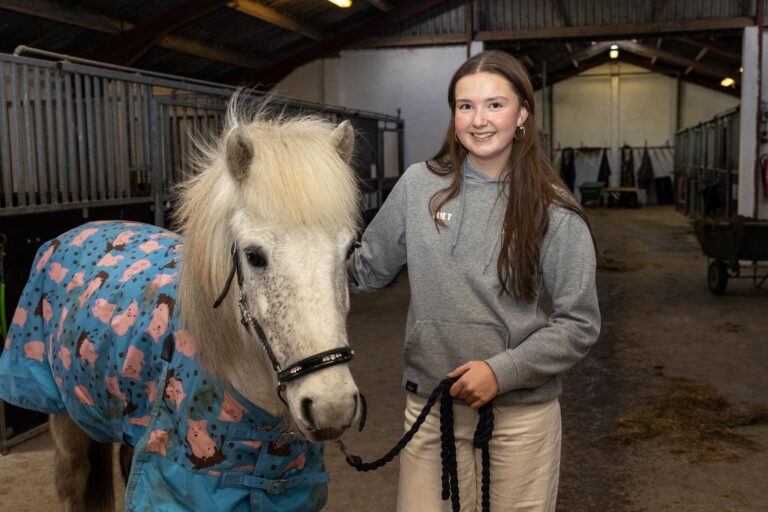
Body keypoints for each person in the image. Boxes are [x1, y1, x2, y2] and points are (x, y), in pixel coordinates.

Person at [347, 50, 601, 512]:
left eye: (494, 105)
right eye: (466, 106)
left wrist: (499, 372)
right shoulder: (418, 186)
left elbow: (578, 323)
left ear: (522, 113)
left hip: (520, 416)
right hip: (429, 409)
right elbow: (365, 270)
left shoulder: (553, 207)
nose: (478, 120)